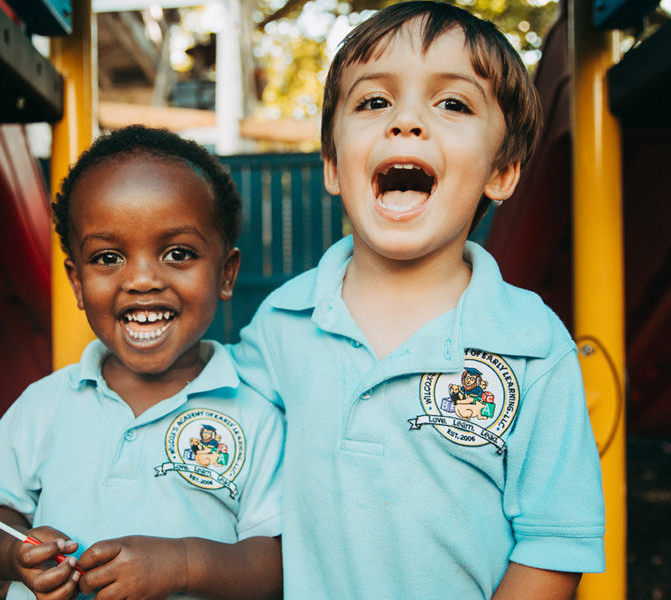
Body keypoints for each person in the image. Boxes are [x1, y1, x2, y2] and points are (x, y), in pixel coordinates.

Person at [230, 2, 605, 598]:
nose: (405, 120)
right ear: (332, 163)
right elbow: (223, 460)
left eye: (452, 103)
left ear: (502, 171)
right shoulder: (282, 324)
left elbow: (554, 542)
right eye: (374, 102)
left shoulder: (533, 345)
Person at [0, 125, 284, 600]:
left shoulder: (254, 414)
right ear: (76, 282)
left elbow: (274, 564)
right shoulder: (46, 404)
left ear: (226, 272)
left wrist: (182, 565)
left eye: (178, 253)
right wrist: (16, 551)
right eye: (108, 257)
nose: (141, 279)